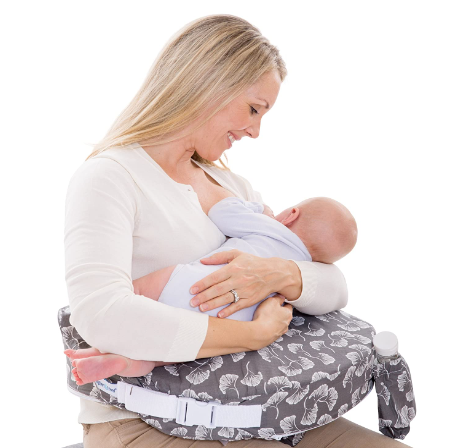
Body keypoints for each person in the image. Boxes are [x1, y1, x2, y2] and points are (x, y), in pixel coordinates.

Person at [64, 14, 412, 448]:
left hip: (253, 404)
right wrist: (253, 334)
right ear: (206, 84)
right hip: (141, 416)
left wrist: (282, 275)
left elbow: (332, 283)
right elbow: (100, 314)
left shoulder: (233, 187)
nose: (255, 130)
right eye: (253, 109)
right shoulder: (111, 178)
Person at [65, 196, 358, 386]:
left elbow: (222, 212)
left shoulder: (270, 227)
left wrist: (260, 210)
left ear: (291, 214)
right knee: (159, 357)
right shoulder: (303, 263)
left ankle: (107, 343)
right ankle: (123, 362)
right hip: (232, 319)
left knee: (135, 293)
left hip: (194, 282)